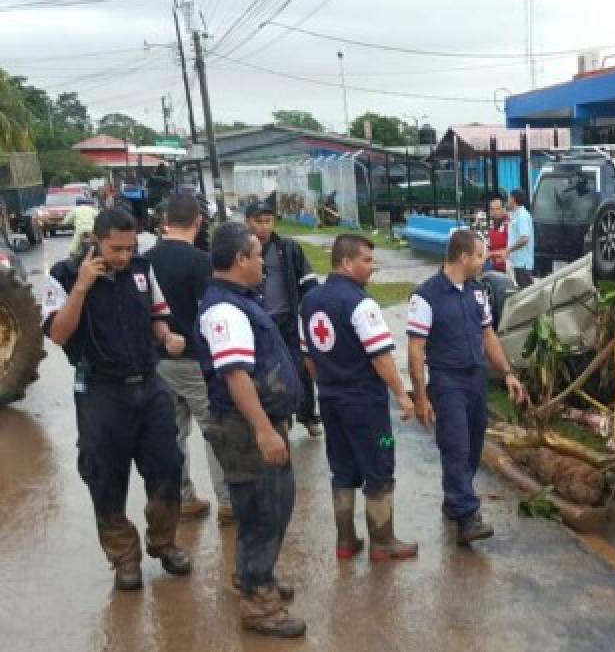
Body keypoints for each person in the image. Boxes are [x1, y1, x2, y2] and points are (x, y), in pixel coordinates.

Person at [41, 208, 192, 591]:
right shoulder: (61, 276)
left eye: (130, 247)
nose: (124, 257)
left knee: (168, 466)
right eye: (116, 249)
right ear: (96, 239)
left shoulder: (142, 269)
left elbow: (157, 316)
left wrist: (165, 336)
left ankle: (164, 542)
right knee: (104, 477)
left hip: (149, 384)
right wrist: (82, 286)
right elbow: (58, 334)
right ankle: (124, 558)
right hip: (101, 392)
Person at [196, 222, 305, 638]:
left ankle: (254, 577)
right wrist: (264, 429)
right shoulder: (225, 309)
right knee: (264, 512)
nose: (264, 263)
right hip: (245, 428)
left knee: (264, 507)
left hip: (254, 423)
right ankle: (259, 603)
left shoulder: (238, 300)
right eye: (258, 255)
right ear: (240, 260)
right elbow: (235, 375)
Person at [300, 235, 419, 562]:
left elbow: (308, 357)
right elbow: (381, 357)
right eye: (367, 260)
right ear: (347, 263)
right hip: (366, 406)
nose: (372, 267)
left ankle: (345, 540)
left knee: (341, 468)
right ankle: (382, 540)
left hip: (330, 400)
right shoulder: (361, 304)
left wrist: (327, 381)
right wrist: (402, 395)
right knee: (380, 462)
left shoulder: (310, 301)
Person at [407, 229, 527, 545]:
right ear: (463, 257)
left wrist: (507, 373)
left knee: (472, 446)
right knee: (456, 446)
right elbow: (416, 349)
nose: (482, 261)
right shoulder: (425, 296)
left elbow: (488, 336)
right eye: (479, 255)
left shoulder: (478, 292)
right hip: (448, 382)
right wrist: (421, 396)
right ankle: (467, 517)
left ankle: (455, 499)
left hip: (476, 380)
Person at [146, 194, 233, 525]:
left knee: (171, 433)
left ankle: (182, 498)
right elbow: (208, 314)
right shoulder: (201, 262)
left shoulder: (145, 260)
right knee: (215, 429)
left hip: (156, 360)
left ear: (166, 220)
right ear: (198, 222)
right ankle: (227, 501)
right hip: (195, 361)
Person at [244, 192, 323, 437]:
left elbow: (308, 282)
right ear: (248, 222)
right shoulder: (242, 252)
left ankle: (308, 415)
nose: (264, 226)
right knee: (268, 372)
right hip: (260, 322)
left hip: (288, 320)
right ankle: (281, 417)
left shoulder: (288, 248)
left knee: (300, 368)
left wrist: (311, 309)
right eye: (258, 221)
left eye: (268, 220)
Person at [505, 188, 534, 287]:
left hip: (522, 263)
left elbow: (525, 238)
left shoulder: (522, 216)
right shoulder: (516, 215)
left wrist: (509, 249)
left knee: (526, 295)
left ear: (513, 199)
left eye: (509, 198)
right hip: (517, 263)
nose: (507, 200)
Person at [485, 195, 509, 274]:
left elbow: (513, 248)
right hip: (493, 266)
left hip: (507, 268)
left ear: (504, 209)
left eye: (497, 209)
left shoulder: (509, 225)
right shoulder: (492, 226)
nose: (494, 212)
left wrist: (491, 254)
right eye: (492, 209)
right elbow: (489, 245)